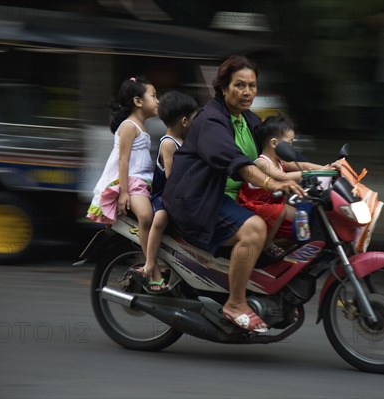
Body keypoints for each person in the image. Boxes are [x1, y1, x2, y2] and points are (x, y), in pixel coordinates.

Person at [162, 55, 304, 333]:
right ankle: (235, 303)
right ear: (224, 88)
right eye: (239, 85)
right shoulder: (211, 120)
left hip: (230, 198)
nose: (247, 92)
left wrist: (319, 170)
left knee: (296, 221)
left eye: (252, 85)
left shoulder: (248, 120)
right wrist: (271, 184)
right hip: (199, 199)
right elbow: (237, 163)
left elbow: (273, 153)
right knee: (255, 229)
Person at [236, 114, 334, 257]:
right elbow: (281, 176)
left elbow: (302, 165)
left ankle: (290, 247)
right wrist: (311, 174)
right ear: (274, 143)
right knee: (280, 211)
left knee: (303, 219)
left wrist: (327, 169)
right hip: (253, 206)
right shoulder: (262, 162)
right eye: (288, 144)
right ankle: (266, 245)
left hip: (271, 205)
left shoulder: (279, 160)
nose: (291, 148)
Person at [86, 76, 159, 262]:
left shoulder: (141, 126)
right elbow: (123, 160)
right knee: (146, 216)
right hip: (132, 182)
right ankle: (150, 264)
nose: (158, 101)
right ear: (138, 101)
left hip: (142, 181)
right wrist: (124, 192)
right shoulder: (129, 126)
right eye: (154, 96)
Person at [131, 91, 198, 292]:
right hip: (166, 195)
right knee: (160, 218)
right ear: (185, 121)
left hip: (182, 193)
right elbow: (172, 177)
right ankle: (150, 263)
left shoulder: (186, 140)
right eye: (195, 118)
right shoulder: (169, 143)